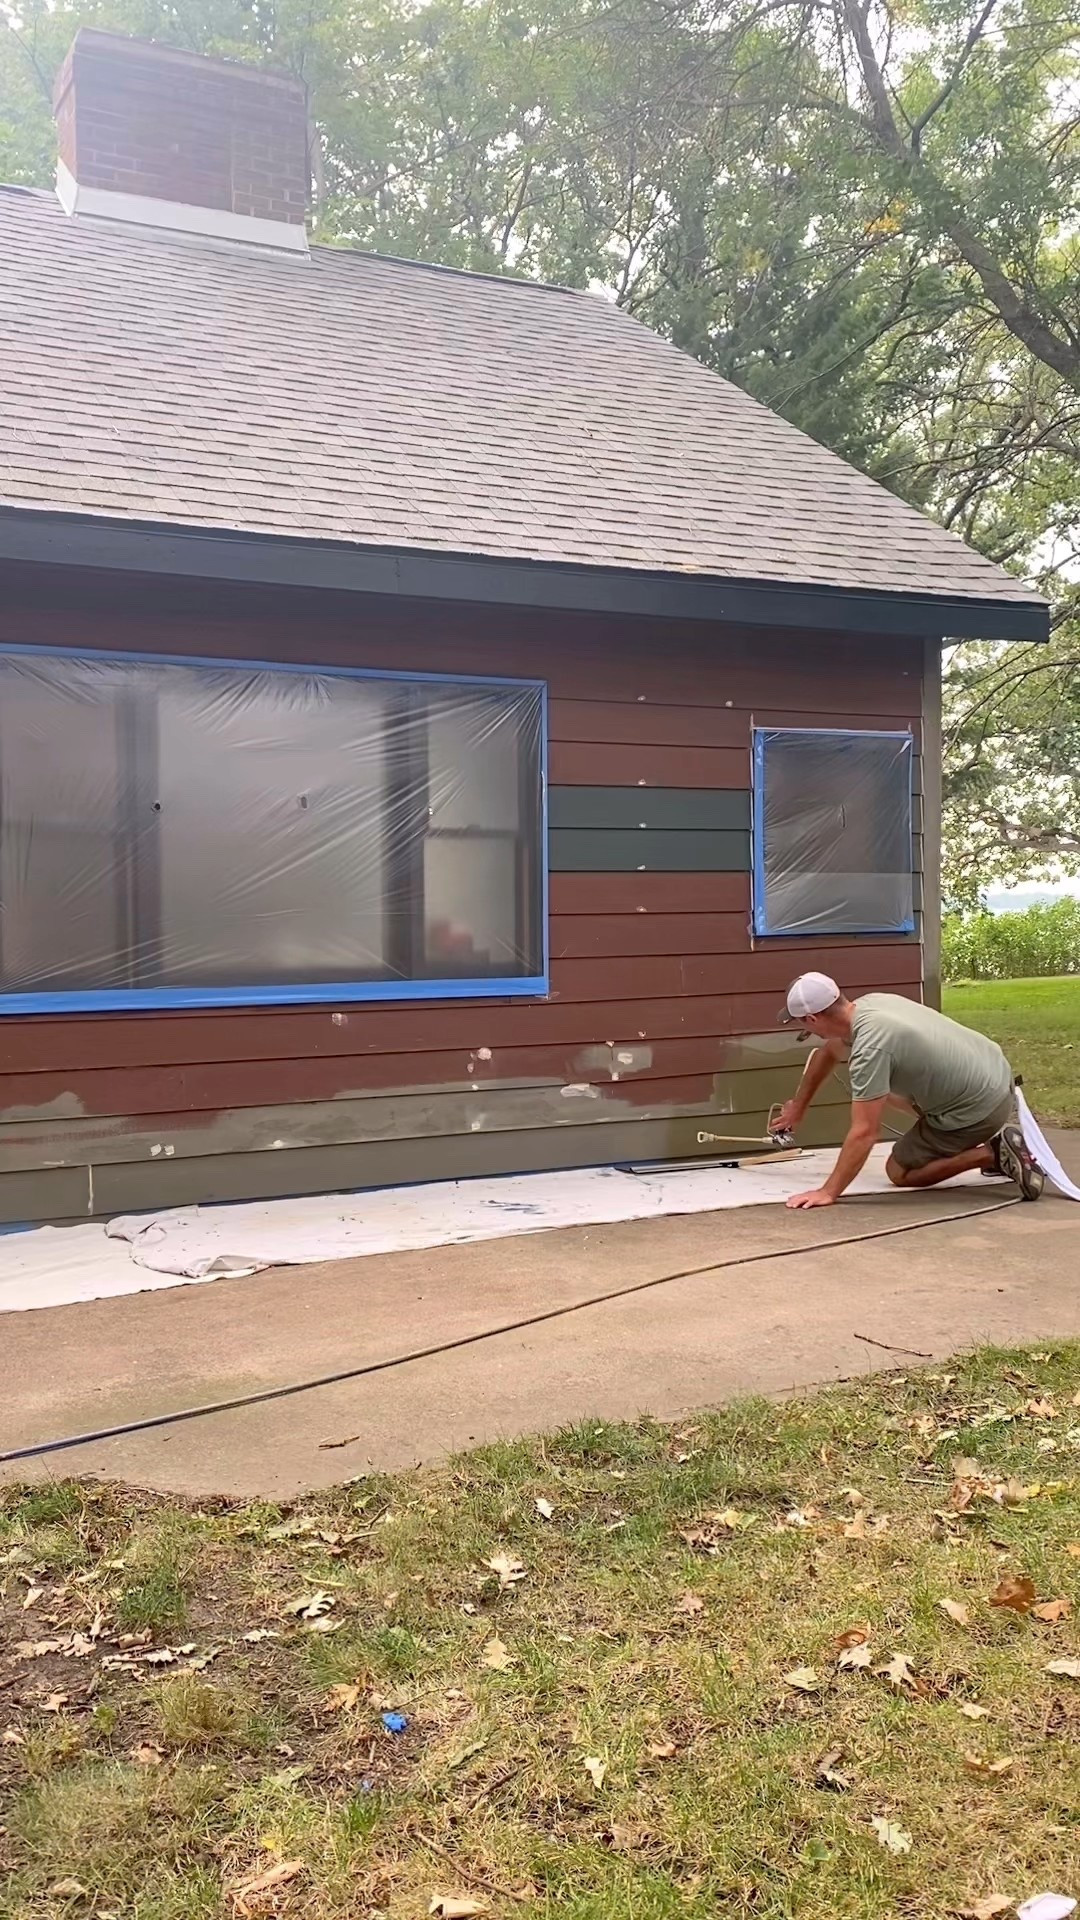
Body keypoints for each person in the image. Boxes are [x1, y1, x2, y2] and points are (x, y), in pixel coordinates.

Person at [774, 972, 1044, 1210]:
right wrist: (798, 1107)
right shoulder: (871, 1004)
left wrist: (828, 1191)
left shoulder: (871, 1049)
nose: (804, 1029)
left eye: (802, 1024)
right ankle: (984, 1146)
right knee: (877, 1087)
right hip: (996, 1076)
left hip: (977, 1110)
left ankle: (993, 1153)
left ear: (811, 1018)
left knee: (899, 1171)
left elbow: (865, 1132)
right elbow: (829, 1052)